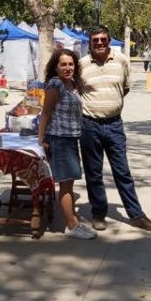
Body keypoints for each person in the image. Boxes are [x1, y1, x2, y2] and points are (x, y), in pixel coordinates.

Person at [79, 26, 151, 232]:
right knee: (93, 173)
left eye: (103, 39)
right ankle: (98, 214)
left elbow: (124, 88)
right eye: (95, 40)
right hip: (89, 125)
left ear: (108, 41)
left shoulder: (122, 60)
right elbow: (78, 91)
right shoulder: (81, 65)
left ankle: (136, 215)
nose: (99, 43)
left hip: (114, 125)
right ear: (90, 42)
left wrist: (110, 105)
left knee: (122, 171)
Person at [38, 48, 97, 240]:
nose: (67, 67)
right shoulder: (56, 85)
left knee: (69, 183)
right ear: (56, 67)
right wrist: (41, 139)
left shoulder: (72, 84)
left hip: (71, 138)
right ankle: (71, 225)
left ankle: (73, 218)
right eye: (63, 64)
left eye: (70, 64)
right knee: (65, 184)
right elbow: (45, 113)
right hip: (59, 138)